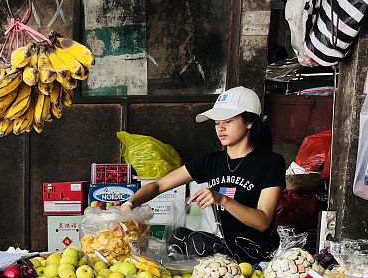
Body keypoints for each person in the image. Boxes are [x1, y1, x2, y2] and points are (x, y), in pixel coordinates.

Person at [122, 87, 286, 264]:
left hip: (255, 248)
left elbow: (263, 221)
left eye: (228, 121)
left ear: (249, 122)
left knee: (197, 242)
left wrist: (222, 199)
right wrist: (129, 204)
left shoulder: (271, 162)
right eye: (216, 123)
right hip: (224, 244)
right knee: (177, 236)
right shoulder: (211, 161)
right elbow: (158, 185)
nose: (221, 128)